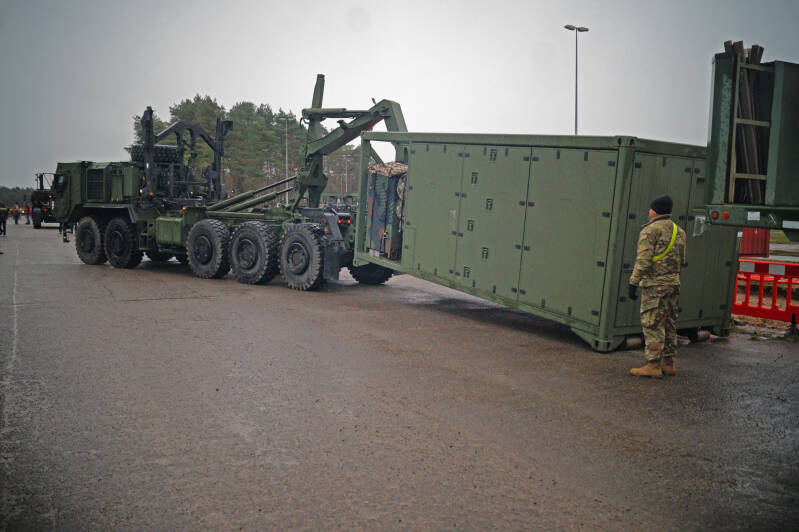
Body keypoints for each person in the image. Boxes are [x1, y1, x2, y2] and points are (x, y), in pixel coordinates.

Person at [628, 194, 687, 378]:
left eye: (650, 208)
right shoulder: (680, 231)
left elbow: (643, 261)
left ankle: (653, 365)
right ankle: (668, 363)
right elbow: (682, 260)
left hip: (655, 286)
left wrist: (633, 282)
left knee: (652, 323)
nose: (649, 211)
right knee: (669, 323)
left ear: (654, 210)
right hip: (673, 284)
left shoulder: (650, 230)